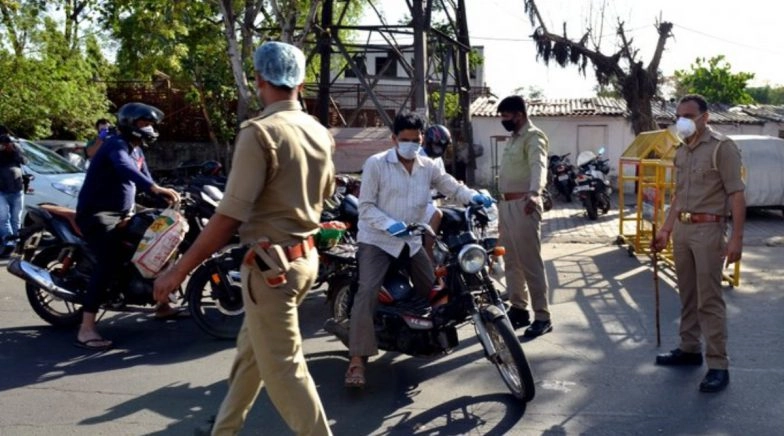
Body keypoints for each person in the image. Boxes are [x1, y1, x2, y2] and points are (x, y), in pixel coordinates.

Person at [153, 41, 334, 436]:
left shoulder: (260, 133)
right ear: (301, 82)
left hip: (271, 270)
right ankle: (224, 430)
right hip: (303, 261)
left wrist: (178, 270)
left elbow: (227, 219)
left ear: (258, 79)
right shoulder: (319, 132)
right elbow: (323, 197)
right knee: (251, 356)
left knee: (285, 369)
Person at [344, 112, 493, 388]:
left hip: (411, 241)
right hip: (377, 240)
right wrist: (390, 226)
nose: (411, 145)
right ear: (394, 139)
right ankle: (356, 362)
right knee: (366, 292)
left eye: (416, 140)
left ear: (422, 139)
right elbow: (365, 208)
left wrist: (474, 196)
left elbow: (450, 186)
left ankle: (426, 336)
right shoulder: (376, 164)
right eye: (405, 140)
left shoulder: (428, 166)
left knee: (435, 289)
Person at [652, 94, 745, 393]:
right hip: (683, 230)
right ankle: (689, 348)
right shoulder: (682, 150)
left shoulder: (722, 148)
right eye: (679, 114)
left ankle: (718, 365)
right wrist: (666, 228)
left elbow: (737, 195)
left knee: (710, 299)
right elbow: (678, 195)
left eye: (689, 115)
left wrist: (737, 239)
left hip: (709, 231)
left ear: (705, 117)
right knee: (687, 294)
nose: (682, 120)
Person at [74, 103, 181, 350]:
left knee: (156, 245)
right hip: (98, 215)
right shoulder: (116, 144)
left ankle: (161, 304)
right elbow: (125, 169)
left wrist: (167, 195)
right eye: (145, 124)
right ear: (130, 124)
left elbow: (146, 178)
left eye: (151, 124)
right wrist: (155, 189)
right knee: (109, 262)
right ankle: (86, 328)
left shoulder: (137, 150)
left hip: (124, 212)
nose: (150, 128)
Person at [496, 95, 552, 338]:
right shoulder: (513, 139)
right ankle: (519, 309)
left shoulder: (533, 136)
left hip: (524, 204)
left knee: (530, 263)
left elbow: (539, 165)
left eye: (506, 116)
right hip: (507, 206)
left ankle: (542, 316)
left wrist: (534, 193)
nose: (503, 121)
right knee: (511, 262)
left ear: (519, 114)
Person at [421, 123, 451, 261]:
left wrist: (456, 186)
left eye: (442, 146)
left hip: (432, 200)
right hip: (417, 203)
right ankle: (428, 252)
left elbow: (443, 180)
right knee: (437, 214)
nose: (439, 149)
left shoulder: (438, 159)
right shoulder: (417, 156)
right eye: (436, 145)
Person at [0, 134, 26, 258]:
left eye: (7, 143)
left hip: (17, 189)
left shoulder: (16, 150)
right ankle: (9, 242)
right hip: (1, 190)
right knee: (3, 218)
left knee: (16, 219)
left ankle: (14, 243)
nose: (5, 146)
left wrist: (14, 149)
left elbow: (24, 161)